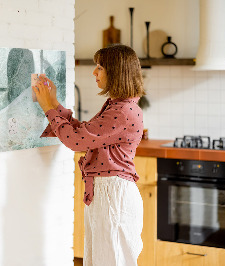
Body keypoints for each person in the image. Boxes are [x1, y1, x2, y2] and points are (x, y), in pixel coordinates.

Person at [33, 44, 145, 266]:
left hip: (113, 195)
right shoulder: (118, 106)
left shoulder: (122, 111)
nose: (94, 72)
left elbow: (76, 141)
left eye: (100, 67)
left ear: (116, 72)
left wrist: (48, 108)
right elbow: (84, 133)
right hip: (108, 193)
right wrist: (54, 103)